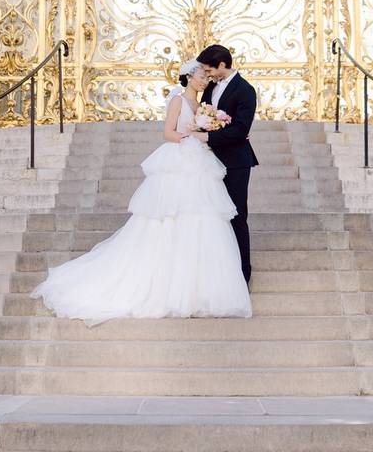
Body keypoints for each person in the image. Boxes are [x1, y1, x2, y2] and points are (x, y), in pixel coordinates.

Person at [31, 60, 252, 325]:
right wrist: (191, 135)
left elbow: (214, 127)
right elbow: (167, 133)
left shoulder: (205, 104)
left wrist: (213, 129)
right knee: (173, 215)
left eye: (207, 75)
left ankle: (198, 284)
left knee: (203, 217)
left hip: (203, 160)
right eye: (202, 76)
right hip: (181, 159)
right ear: (189, 78)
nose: (206, 79)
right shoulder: (178, 102)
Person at [194, 44, 258, 285]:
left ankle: (243, 274)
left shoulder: (245, 90)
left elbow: (241, 130)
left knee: (236, 215)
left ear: (222, 65)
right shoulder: (210, 86)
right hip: (208, 161)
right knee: (211, 215)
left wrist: (209, 136)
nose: (207, 74)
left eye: (209, 69)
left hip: (236, 162)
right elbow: (205, 114)